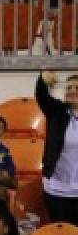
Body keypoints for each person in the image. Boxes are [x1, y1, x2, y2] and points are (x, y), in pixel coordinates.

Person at [37, 71, 78, 224]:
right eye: (69, 88)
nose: (72, 91)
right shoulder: (57, 112)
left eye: (77, 88)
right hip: (56, 189)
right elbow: (42, 96)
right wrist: (42, 80)